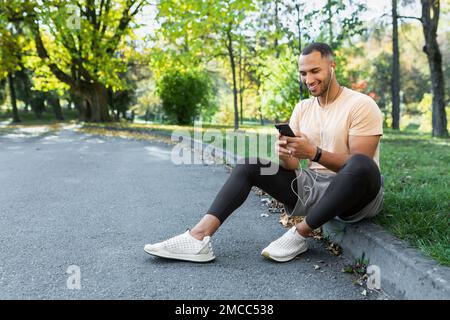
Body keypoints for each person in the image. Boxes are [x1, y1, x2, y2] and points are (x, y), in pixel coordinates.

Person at [144, 42, 384, 263]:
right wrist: (285, 152)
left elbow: (358, 163)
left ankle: (300, 233)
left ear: (332, 66)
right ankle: (197, 238)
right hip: (314, 187)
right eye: (303, 73)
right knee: (248, 165)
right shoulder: (302, 108)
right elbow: (292, 167)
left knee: (362, 165)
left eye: (315, 71)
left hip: (356, 195)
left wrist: (315, 153)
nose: (308, 79)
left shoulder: (361, 104)